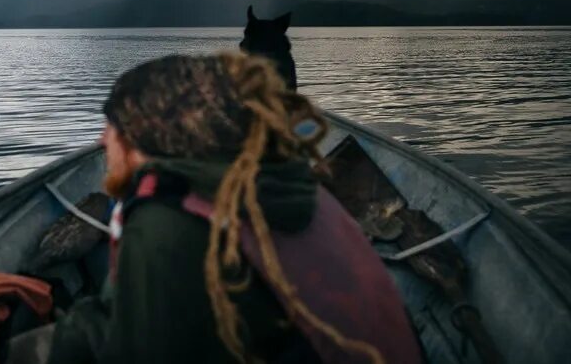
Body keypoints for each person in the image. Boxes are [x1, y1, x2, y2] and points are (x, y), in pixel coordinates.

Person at [45, 52, 421, 364]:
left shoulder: (165, 225)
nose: (101, 139)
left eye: (113, 125)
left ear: (148, 136)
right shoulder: (287, 184)